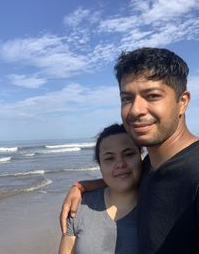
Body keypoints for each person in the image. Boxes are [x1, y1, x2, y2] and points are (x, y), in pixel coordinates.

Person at [60, 47, 199, 253]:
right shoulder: (150, 166)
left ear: (182, 102)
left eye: (152, 96)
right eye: (126, 98)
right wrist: (82, 186)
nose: (135, 110)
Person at [58, 124, 142, 254]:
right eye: (109, 158)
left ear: (141, 156)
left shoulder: (157, 205)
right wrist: (79, 186)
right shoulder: (78, 207)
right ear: (100, 165)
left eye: (128, 154)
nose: (120, 164)